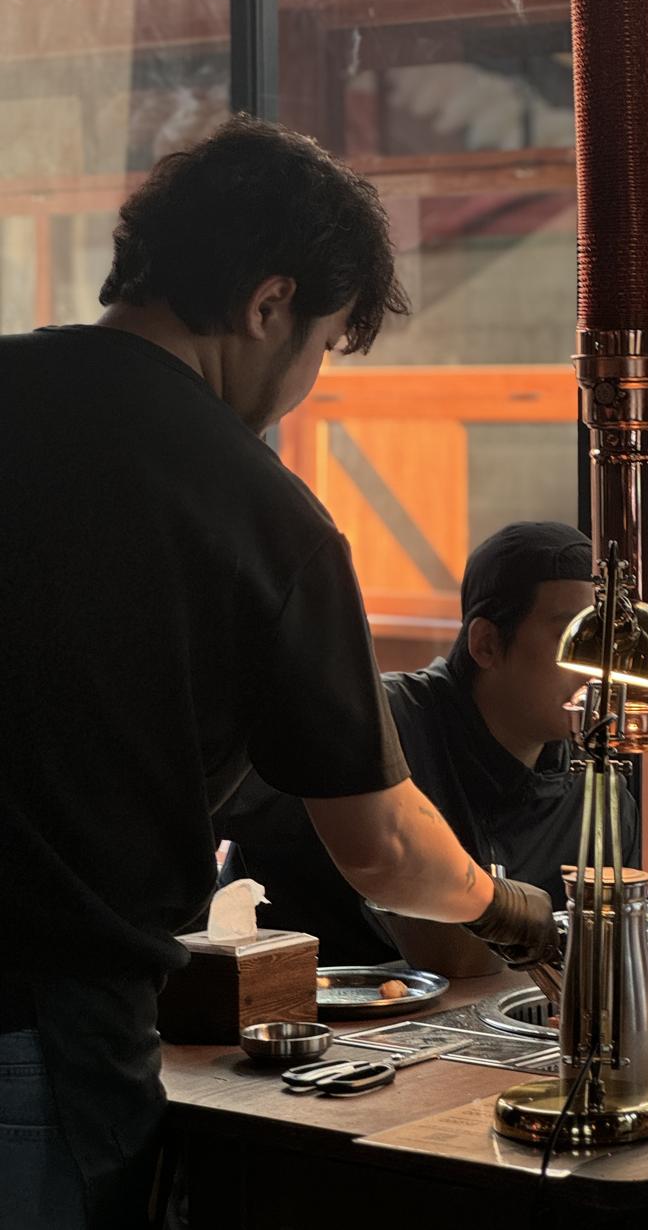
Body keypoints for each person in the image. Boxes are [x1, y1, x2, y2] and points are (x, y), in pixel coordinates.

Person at [0, 116, 555, 1230]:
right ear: (268, 305)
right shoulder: (261, 518)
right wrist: (513, 909)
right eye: (324, 344)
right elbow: (380, 845)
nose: (306, 382)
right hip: (46, 1031)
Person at [218, 521, 641, 963]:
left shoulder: (599, 792)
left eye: (610, 642)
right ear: (486, 644)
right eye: (575, 638)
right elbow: (199, 801)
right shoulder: (368, 726)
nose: (602, 670)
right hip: (305, 1000)